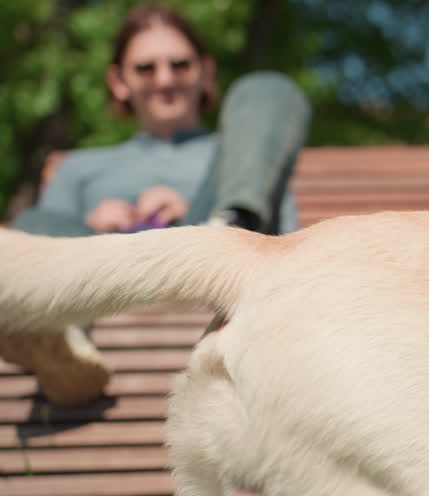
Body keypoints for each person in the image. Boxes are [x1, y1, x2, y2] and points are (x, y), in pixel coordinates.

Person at [2, 3, 312, 406]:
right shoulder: (79, 167)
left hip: (217, 271)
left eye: (180, 65)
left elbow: (286, 246)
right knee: (37, 221)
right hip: (100, 278)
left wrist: (193, 222)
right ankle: (64, 346)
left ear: (206, 72)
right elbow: (45, 237)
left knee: (267, 88)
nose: (165, 80)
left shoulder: (244, 152)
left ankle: (225, 225)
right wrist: (93, 228)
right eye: (146, 68)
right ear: (118, 81)